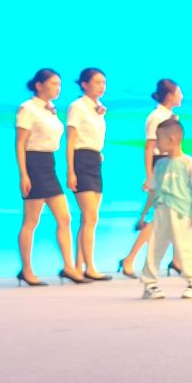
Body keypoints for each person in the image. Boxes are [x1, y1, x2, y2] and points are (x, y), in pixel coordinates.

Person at [14, 69, 86, 286]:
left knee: (64, 218)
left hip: (49, 163)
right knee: (31, 220)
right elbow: (20, 143)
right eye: (54, 84)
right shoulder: (27, 109)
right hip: (34, 163)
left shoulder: (50, 109)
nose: (58, 88)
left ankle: (69, 267)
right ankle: (26, 270)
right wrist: (24, 174)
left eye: (59, 84)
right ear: (39, 85)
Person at [120, 78, 183, 278]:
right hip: (161, 165)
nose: (182, 96)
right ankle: (130, 258)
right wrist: (149, 176)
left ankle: (177, 260)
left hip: (172, 164)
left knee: (175, 214)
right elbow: (149, 147)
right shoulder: (156, 117)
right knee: (160, 216)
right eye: (179, 93)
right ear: (170, 95)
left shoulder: (170, 116)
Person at [137, 118, 192, 301]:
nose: (156, 143)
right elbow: (153, 191)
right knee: (155, 247)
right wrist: (143, 215)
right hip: (161, 212)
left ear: (172, 139)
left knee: (187, 247)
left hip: (183, 213)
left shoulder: (189, 163)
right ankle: (150, 284)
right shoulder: (160, 165)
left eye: (158, 139)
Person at [64, 68, 111, 280]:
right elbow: (71, 140)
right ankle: (90, 266)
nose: (102, 86)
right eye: (97, 82)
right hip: (81, 160)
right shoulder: (77, 106)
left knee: (89, 218)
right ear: (84, 84)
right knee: (90, 216)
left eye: (104, 83)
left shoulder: (98, 108)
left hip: (94, 160)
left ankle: (79, 266)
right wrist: (70, 170)